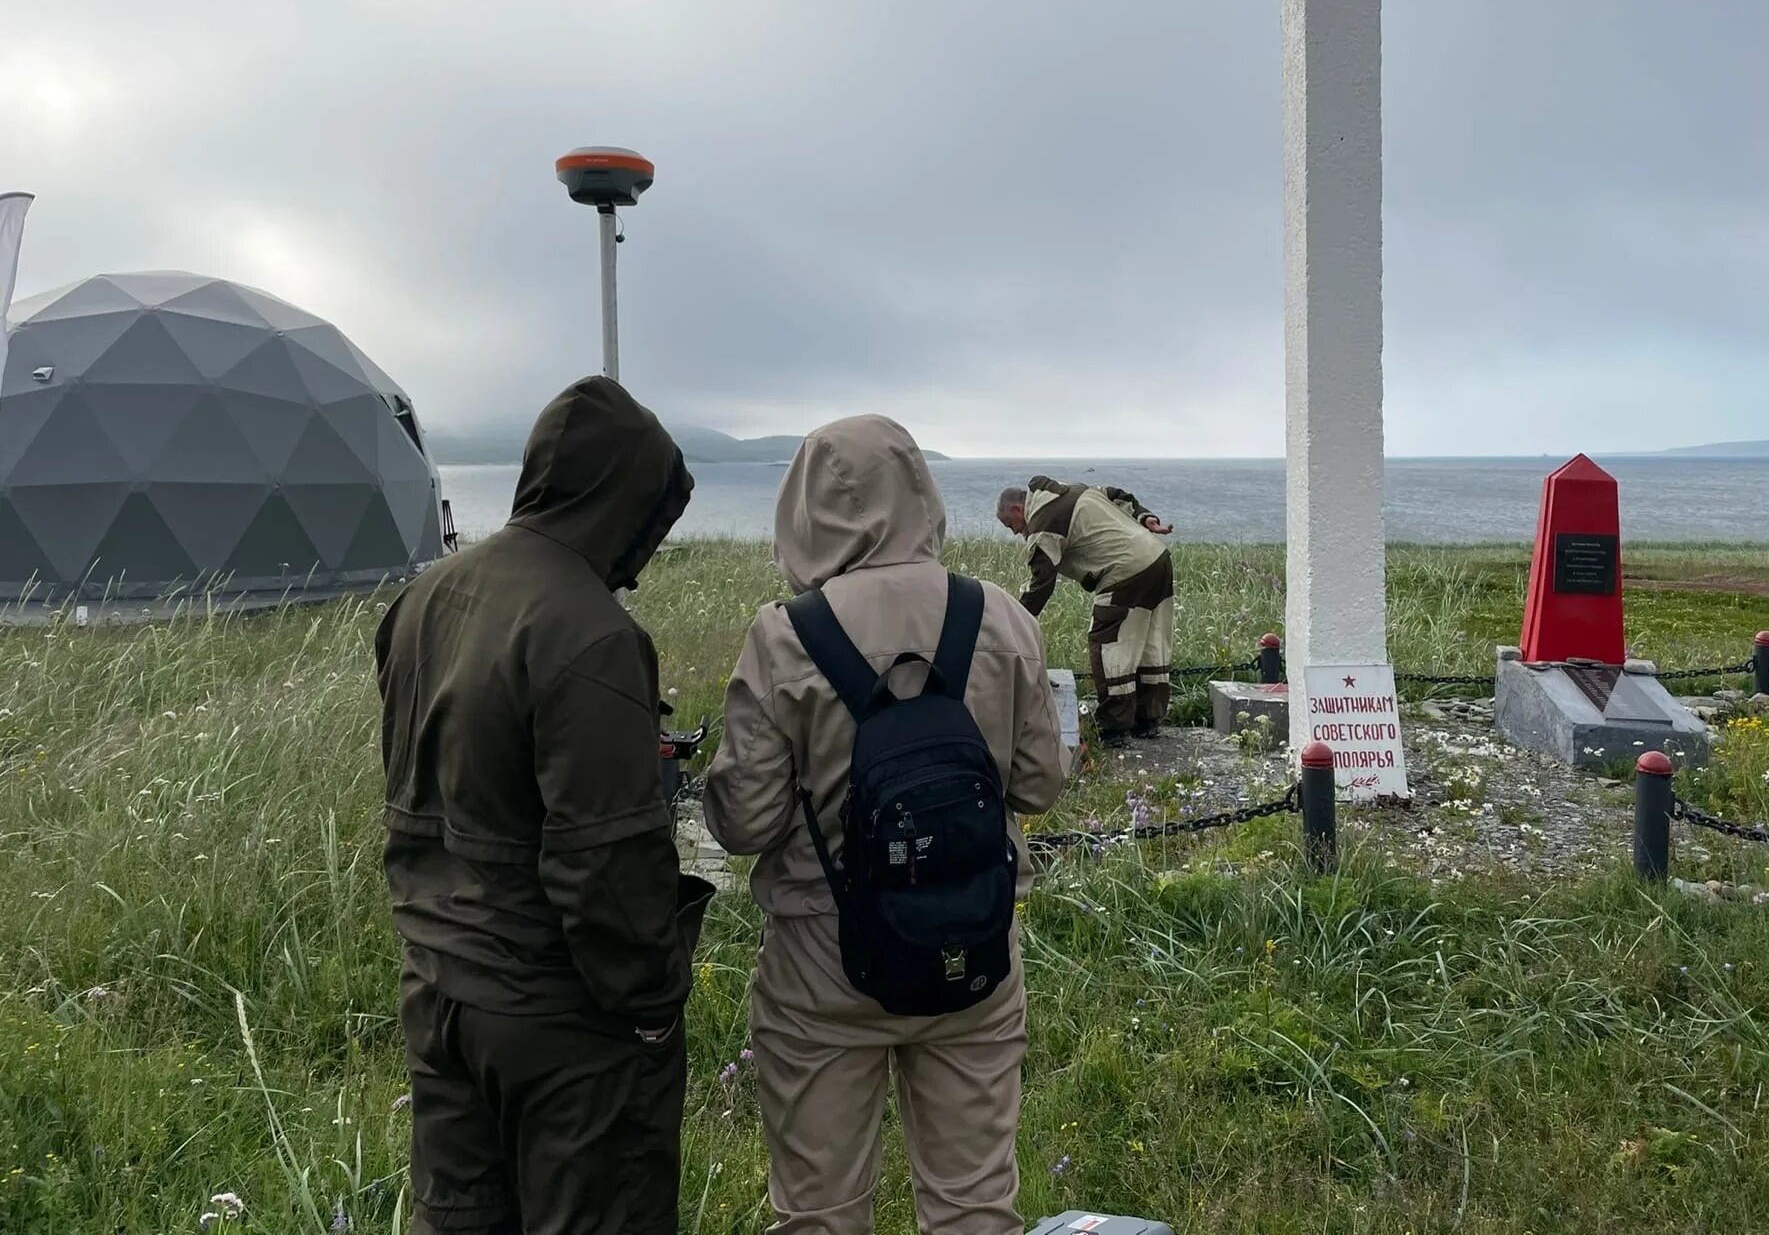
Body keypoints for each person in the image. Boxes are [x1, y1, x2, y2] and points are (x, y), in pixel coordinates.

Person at [704, 414, 1068, 1235]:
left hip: (822, 971)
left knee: (819, 1212)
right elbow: (1041, 784)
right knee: (975, 1202)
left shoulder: (784, 637)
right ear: (921, 495)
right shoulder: (1001, 617)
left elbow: (747, 822)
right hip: (972, 950)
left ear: (803, 509)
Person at [375, 375, 713, 1235]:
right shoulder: (592, 632)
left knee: (459, 1219)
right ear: (623, 500)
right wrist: (648, 1007)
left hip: (439, 987)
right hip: (560, 1022)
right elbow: (608, 861)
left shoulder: (424, 598)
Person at [996, 478, 1175, 746]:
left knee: (1108, 646)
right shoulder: (1075, 490)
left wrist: (1014, 623)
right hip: (1158, 558)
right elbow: (1118, 494)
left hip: (1123, 572)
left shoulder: (1044, 524)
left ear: (1018, 510)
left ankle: (1115, 730)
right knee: (1151, 643)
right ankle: (1148, 721)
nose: (1014, 532)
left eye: (1011, 525)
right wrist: (1144, 516)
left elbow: (1041, 584)